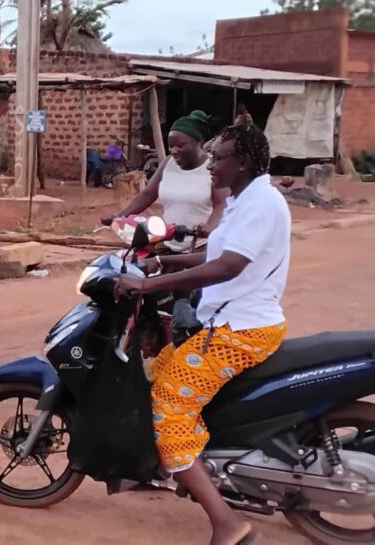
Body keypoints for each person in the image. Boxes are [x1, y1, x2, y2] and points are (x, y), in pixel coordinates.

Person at [114, 120, 290, 545]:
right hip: (225, 325)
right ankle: (162, 468)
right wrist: (161, 263)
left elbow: (229, 266)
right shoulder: (244, 199)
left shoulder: (262, 203)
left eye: (219, 157)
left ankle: (228, 523)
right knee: (154, 372)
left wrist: (149, 286)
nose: (211, 165)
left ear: (243, 161)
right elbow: (213, 253)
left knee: (169, 406)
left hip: (238, 332)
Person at [102, 110, 229, 253]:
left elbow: (222, 204)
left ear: (198, 142)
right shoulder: (168, 163)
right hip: (167, 241)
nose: (174, 151)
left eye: (180, 146)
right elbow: (148, 194)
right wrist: (119, 216)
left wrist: (210, 226)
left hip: (200, 246)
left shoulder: (212, 168)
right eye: (171, 146)